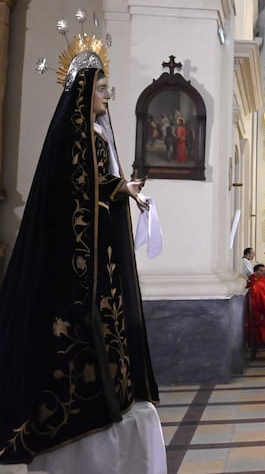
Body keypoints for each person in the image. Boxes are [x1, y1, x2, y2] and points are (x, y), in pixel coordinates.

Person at [0, 54, 162, 466]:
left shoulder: (97, 135)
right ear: (85, 93)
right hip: (78, 249)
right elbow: (74, 189)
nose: (107, 96)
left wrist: (123, 189)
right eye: (102, 89)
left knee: (110, 315)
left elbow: (96, 183)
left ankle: (113, 391)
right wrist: (116, 189)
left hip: (98, 245)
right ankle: (86, 400)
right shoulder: (74, 136)